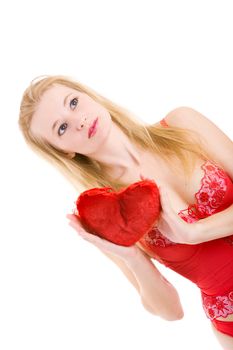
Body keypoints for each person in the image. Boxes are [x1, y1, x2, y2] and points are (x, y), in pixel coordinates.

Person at [18, 75, 233, 349]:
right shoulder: (104, 217)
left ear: (90, 95)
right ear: (64, 152)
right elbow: (171, 311)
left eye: (73, 103)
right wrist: (131, 257)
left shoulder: (183, 123)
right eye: (62, 128)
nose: (79, 121)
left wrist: (195, 232)